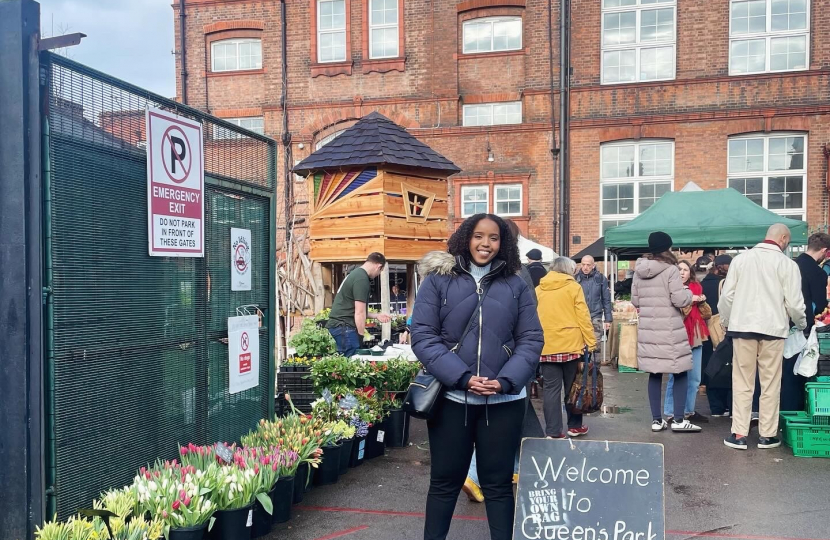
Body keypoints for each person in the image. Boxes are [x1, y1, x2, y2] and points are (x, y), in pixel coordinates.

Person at [411, 214, 543, 540]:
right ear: (466, 237)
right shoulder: (438, 281)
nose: (486, 244)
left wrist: (506, 381)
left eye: (494, 238)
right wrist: (463, 378)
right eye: (479, 236)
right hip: (453, 399)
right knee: (444, 482)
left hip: (504, 401)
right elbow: (424, 337)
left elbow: (531, 338)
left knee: (498, 484)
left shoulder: (515, 283)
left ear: (504, 243)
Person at [463, 218, 544, 504]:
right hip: (508, 361)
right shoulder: (517, 274)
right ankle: (476, 473)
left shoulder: (469, 273)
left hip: (476, 363)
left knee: (496, 419)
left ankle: (515, 469)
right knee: (503, 419)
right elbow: (529, 327)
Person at [718, 223, 807, 450]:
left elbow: (727, 297)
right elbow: (795, 303)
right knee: (770, 383)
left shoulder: (740, 260)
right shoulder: (788, 264)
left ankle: (739, 433)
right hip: (774, 330)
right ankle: (767, 435)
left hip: (742, 328)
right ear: (784, 238)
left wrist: (727, 322)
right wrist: (801, 324)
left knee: (742, 381)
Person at [631, 232, 702, 433]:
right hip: (670, 329)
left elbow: (635, 301)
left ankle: (656, 420)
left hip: (649, 330)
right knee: (679, 371)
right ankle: (679, 420)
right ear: (667, 248)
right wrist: (690, 293)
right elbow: (679, 300)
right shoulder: (671, 270)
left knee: (654, 373)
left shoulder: (639, 270)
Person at [536, 256, 597, 438]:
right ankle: (574, 426)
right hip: (571, 345)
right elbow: (583, 317)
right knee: (574, 388)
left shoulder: (539, 289)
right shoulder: (573, 287)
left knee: (550, 390)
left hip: (547, 345)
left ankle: (553, 431)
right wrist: (591, 342)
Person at [785, 233, 830, 410]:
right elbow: (819, 305)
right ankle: (795, 408)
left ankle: (782, 412)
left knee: (783, 372)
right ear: (825, 251)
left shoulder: (791, 265)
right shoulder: (817, 272)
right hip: (803, 327)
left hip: (782, 324)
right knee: (800, 369)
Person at [664, 260, 710, 424]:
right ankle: (670, 412)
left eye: (685, 269)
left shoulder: (696, 288)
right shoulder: (670, 289)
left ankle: (688, 410)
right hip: (678, 335)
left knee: (695, 378)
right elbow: (680, 312)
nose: (682, 272)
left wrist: (702, 301)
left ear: (690, 272)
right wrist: (691, 299)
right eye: (679, 269)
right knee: (675, 376)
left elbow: (707, 314)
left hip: (697, 334)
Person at [326, 253, 392, 357]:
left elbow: (352, 308)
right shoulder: (362, 279)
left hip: (340, 324)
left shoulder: (355, 274)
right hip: (344, 325)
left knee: (345, 362)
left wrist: (376, 315)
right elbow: (359, 312)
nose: (378, 274)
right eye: (380, 271)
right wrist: (360, 336)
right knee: (352, 361)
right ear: (379, 266)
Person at [701, 254, 733, 417]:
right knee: (727, 365)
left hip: (706, 331)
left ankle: (715, 407)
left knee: (711, 366)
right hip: (723, 330)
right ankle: (727, 405)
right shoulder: (726, 284)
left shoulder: (702, 284)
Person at [575, 255, 613, 352]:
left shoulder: (600, 279)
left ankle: (595, 367)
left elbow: (606, 299)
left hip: (596, 315)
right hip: (579, 317)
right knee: (579, 346)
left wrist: (608, 319)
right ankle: (582, 366)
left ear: (593, 265)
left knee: (596, 345)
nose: (585, 267)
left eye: (588, 265)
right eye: (583, 264)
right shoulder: (575, 279)